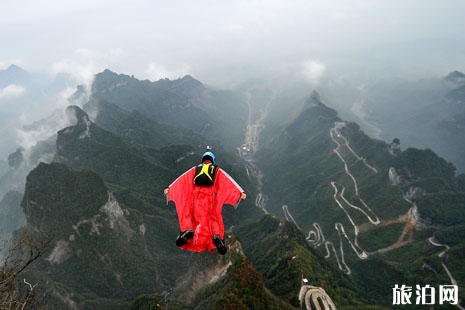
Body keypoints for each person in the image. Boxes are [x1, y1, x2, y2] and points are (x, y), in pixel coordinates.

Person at [164, 151, 246, 255]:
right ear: (213, 161)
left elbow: (182, 180)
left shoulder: (195, 170)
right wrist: (240, 193)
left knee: (190, 217)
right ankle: (218, 238)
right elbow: (228, 182)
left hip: (196, 202)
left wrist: (170, 189)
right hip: (210, 202)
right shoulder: (217, 171)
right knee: (214, 219)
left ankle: (185, 232)